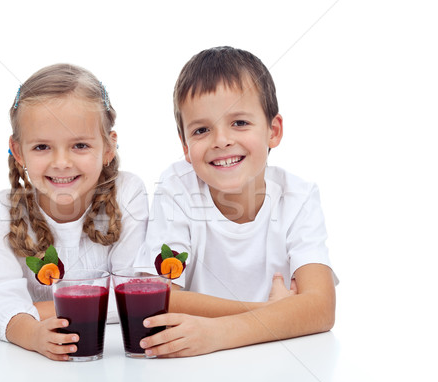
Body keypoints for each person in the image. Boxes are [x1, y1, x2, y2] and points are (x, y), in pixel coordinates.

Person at [139, 46, 337, 358]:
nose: (221, 140)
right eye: (202, 129)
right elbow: (159, 296)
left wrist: (217, 333)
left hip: (278, 361)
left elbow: (321, 308)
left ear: (273, 131)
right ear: (186, 147)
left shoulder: (298, 196)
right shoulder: (177, 187)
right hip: (191, 366)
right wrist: (272, 313)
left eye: (240, 123)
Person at [0, 64, 149, 361]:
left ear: (108, 147)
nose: (62, 162)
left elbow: (130, 295)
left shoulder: (127, 192)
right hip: (30, 365)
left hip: (113, 356)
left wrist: (30, 308)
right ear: (18, 151)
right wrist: (31, 334)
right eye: (42, 146)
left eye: (79, 145)